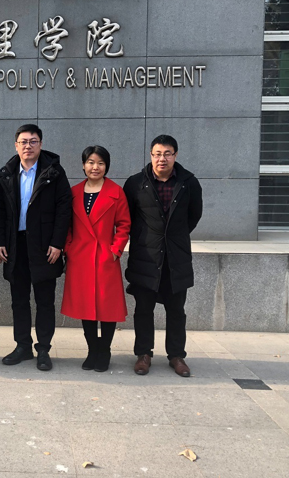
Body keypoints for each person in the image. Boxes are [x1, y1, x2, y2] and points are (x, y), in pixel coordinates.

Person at [0, 124, 72, 371]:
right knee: (19, 300)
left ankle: (44, 349)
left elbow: (64, 210)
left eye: (33, 141)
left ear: (41, 144)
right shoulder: (7, 174)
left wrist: (57, 243)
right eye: (24, 142)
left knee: (44, 301)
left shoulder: (54, 173)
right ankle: (23, 346)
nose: (28, 146)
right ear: (16, 145)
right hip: (15, 246)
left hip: (45, 247)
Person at [123, 134, 203, 377]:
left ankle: (176, 356)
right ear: (151, 155)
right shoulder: (136, 183)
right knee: (143, 309)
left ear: (175, 156)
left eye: (167, 154)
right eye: (157, 154)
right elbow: (128, 217)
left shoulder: (189, 183)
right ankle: (143, 354)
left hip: (176, 258)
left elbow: (194, 216)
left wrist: (173, 237)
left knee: (176, 310)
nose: (162, 159)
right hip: (145, 257)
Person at [61, 145, 131, 372]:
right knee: (86, 306)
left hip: (105, 257)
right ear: (83, 165)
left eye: (100, 163)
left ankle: (105, 350)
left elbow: (124, 225)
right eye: (90, 162)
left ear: (106, 166)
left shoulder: (116, 192)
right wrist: (69, 248)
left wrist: (115, 250)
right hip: (80, 257)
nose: (95, 167)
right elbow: (66, 224)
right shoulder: (73, 192)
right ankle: (92, 350)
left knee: (107, 307)